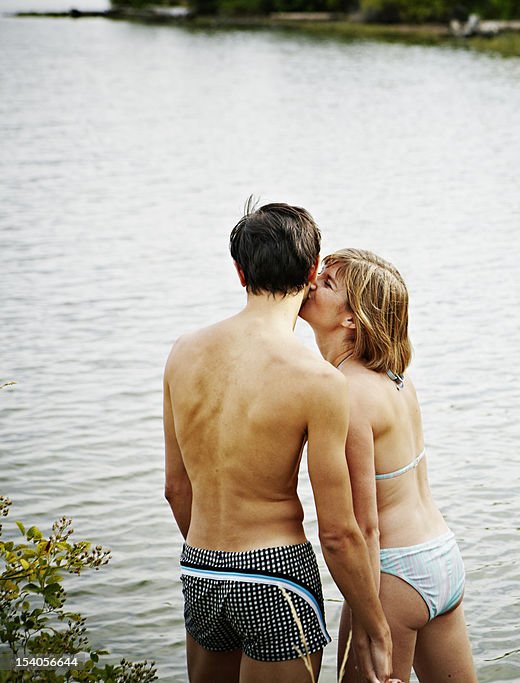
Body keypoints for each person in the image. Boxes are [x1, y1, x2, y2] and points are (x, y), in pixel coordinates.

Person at [163, 202, 396, 683]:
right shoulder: (317, 380)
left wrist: (216, 558)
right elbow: (338, 532)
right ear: (313, 272)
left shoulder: (183, 352)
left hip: (201, 569)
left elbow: (176, 489)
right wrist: (376, 629)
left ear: (239, 271)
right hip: (274, 576)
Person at [299, 248, 477, 683]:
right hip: (442, 557)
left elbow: (365, 526)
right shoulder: (397, 380)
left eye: (326, 283)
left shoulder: (345, 393)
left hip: (394, 575)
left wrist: (366, 621)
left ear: (351, 319)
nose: (311, 283)